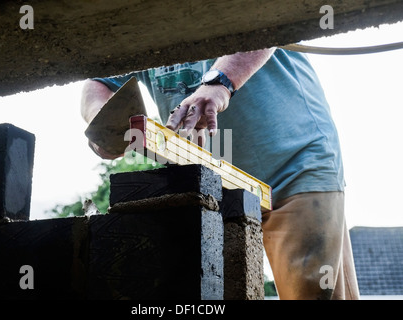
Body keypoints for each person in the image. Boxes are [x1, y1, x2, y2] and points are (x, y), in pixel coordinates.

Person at [80, 47, 360, 300]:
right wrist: (104, 122)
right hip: (212, 187)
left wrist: (220, 82)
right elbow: (101, 80)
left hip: (293, 166)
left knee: (312, 291)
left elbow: (263, 20)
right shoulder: (142, 22)